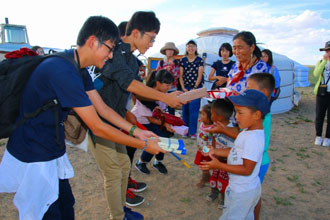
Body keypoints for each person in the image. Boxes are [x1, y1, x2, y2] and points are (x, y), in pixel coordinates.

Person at [0, 16, 165, 220]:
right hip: (34, 155)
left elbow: (103, 109)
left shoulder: (79, 68)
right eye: (110, 48)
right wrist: (144, 145)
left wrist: (136, 131)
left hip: (51, 150)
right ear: (93, 41)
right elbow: (97, 127)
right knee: (47, 212)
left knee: (67, 206)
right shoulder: (61, 70)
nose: (111, 56)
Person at [89, 11, 185, 220]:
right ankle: (118, 216)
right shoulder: (112, 51)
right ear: (135, 32)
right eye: (151, 37)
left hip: (115, 120)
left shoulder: (132, 61)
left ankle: (122, 208)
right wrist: (167, 98)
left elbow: (136, 90)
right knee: (114, 172)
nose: (152, 43)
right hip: (98, 120)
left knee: (124, 164)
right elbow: (130, 84)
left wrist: (165, 95)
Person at [200, 89, 270, 220]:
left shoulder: (253, 139)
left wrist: (219, 165)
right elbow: (236, 151)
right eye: (236, 111)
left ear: (256, 115)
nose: (236, 117)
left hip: (242, 192)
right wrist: (215, 151)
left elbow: (247, 169)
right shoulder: (247, 131)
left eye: (240, 112)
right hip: (240, 188)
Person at [245, 73, 275, 220]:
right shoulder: (259, 111)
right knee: (253, 193)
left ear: (263, 93)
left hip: (257, 161)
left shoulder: (260, 115)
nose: (245, 91)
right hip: (257, 159)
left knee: (253, 196)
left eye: (249, 88)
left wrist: (224, 130)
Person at [134, 70, 175, 175]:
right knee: (156, 139)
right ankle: (141, 162)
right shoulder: (146, 95)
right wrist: (165, 124)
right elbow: (151, 119)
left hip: (153, 121)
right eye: (167, 84)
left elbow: (161, 113)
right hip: (140, 121)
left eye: (171, 84)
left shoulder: (163, 94)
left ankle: (157, 161)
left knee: (164, 137)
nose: (169, 88)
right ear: (158, 83)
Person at [206, 99, 235, 209]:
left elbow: (233, 149)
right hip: (216, 158)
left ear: (220, 117)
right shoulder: (214, 127)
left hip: (227, 162)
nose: (210, 115)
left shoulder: (232, 131)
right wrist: (212, 150)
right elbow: (213, 139)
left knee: (225, 180)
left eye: (212, 113)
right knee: (215, 176)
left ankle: (223, 197)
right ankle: (214, 192)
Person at [179, 39, 204, 138]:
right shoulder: (183, 60)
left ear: (196, 48)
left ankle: (192, 132)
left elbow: (200, 75)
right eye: (189, 46)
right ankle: (185, 130)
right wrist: (183, 88)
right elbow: (181, 75)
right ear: (186, 48)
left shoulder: (199, 60)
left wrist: (194, 88)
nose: (191, 48)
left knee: (194, 109)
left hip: (196, 89)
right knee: (185, 109)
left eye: (193, 46)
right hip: (185, 87)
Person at [313, 41, 330, 147]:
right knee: (319, 115)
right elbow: (315, 74)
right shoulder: (321, 62)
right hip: (321, 92)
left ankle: (327, 137)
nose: (328, 52)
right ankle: (318, 136)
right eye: (327, 50)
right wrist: (324, 61)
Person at [157, 42, 180, 115]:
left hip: (172, 88)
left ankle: (171, 124)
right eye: (168, 50)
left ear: (174, 52)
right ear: (165, 51)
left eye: (171, 50)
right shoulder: (160, 62)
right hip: (162, 89)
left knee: (171, 108)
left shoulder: (176, 62)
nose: (170, 52)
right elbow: (157, 75)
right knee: (161, 108)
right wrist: (165, 69)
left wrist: (172, 67)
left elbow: (177, 76)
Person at [194, 103, 213, 188]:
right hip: (200, 149)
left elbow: (211, 142)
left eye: (203, 114)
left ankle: (203, 179)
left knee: (204, 166)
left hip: (206, 151)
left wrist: (205, 150)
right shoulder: (202, 124)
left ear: (210, 118)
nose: (201, 116)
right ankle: (207, 177)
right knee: (203, 165)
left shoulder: (212, 128)